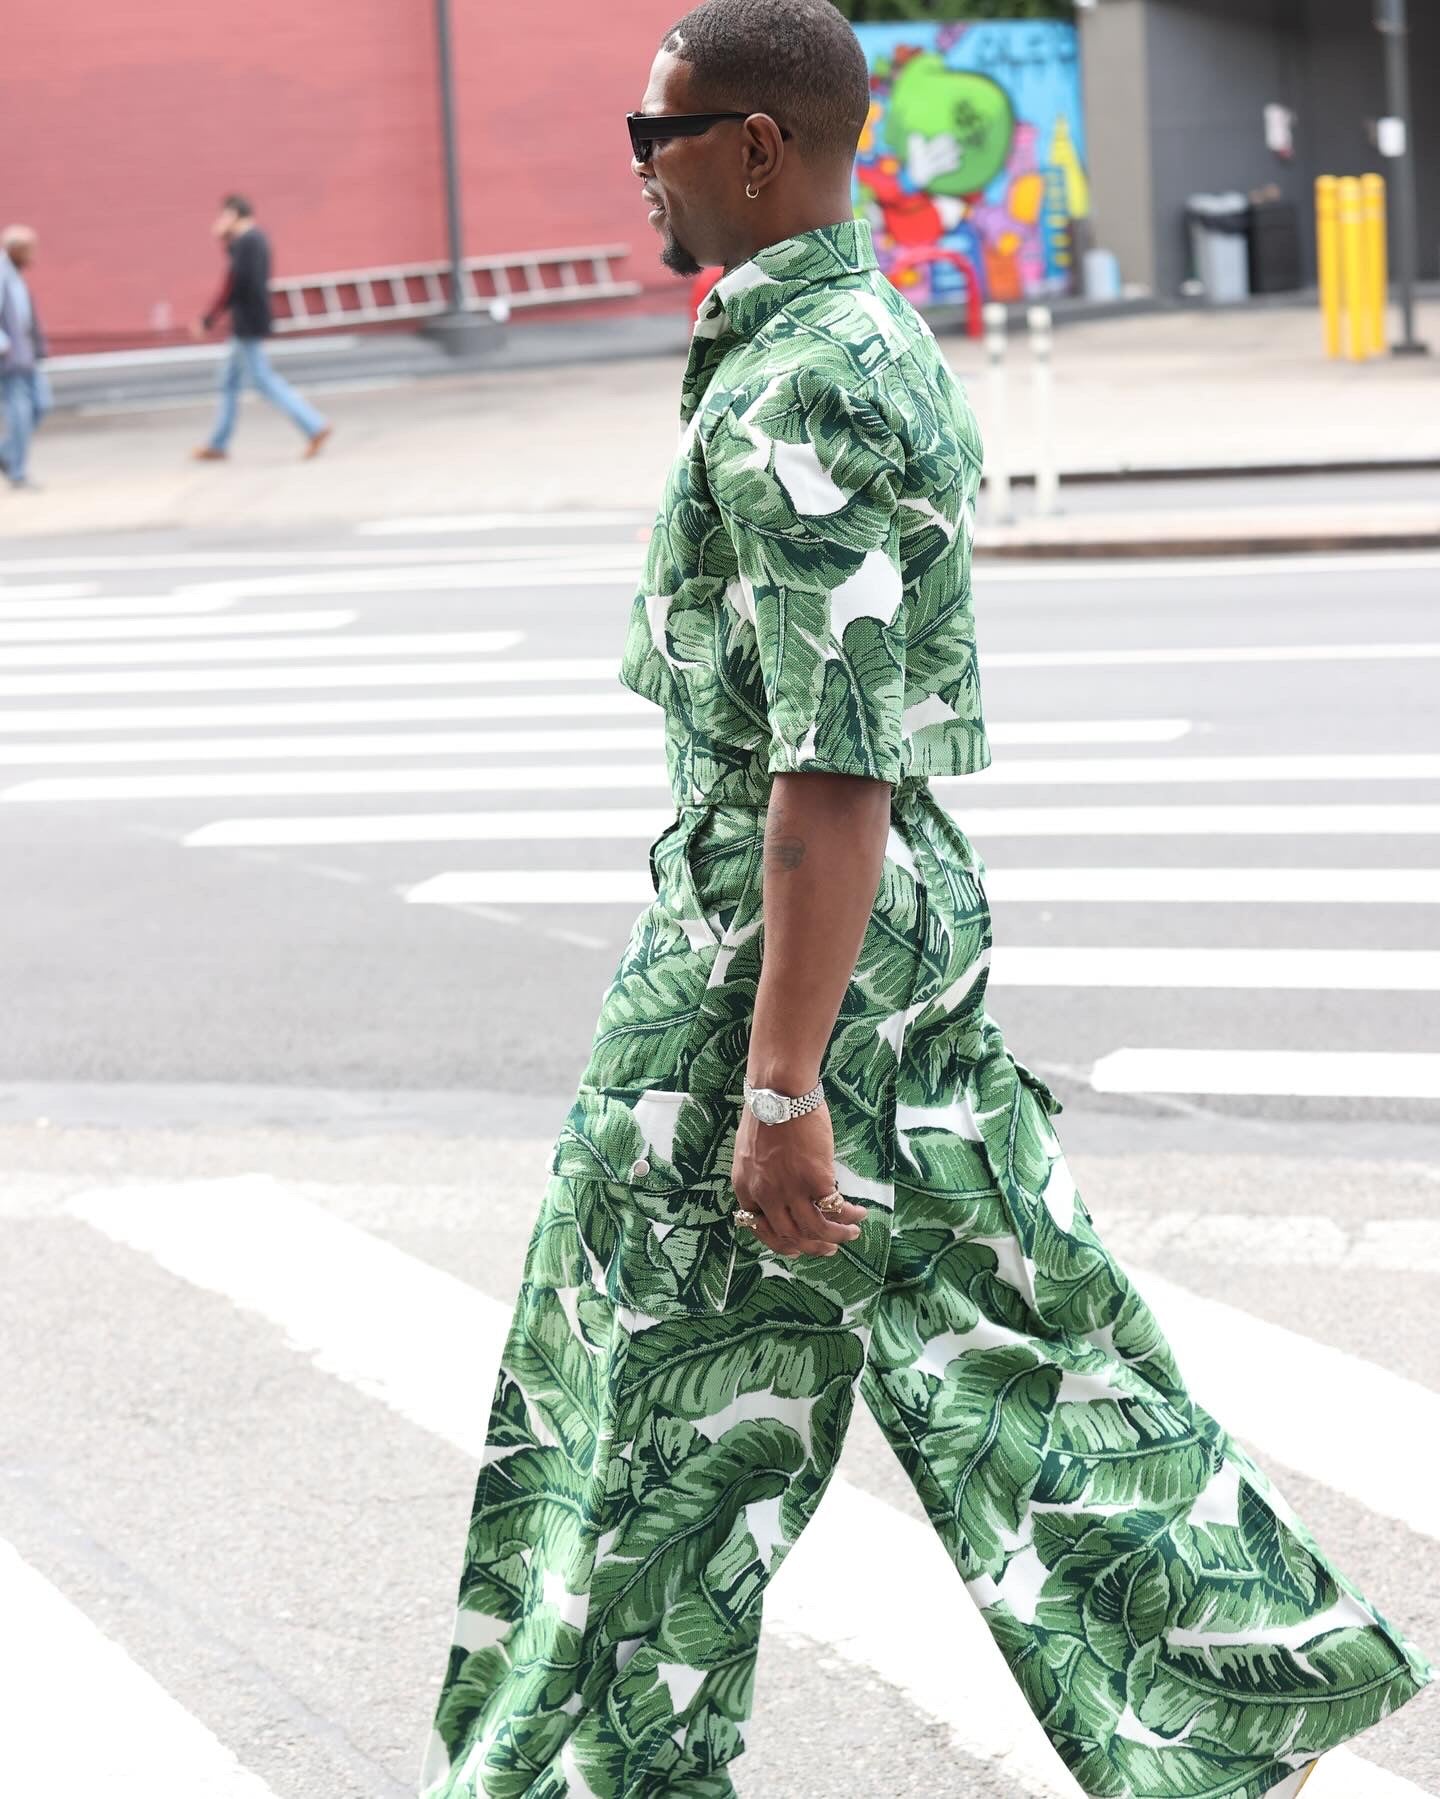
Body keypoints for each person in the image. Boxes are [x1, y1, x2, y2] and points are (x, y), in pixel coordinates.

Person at [419, 4, 1432, 1796]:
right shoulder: (830, 338)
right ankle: (1239, 1701)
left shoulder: (810, 373)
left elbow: (833, 758)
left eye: (650, 136)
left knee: (630, 1411)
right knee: (1025, 1364)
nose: (635, 169)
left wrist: (782, 1083)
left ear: (750, 147)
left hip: (774, 970)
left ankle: (573, 1774)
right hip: (881, 967)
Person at [191, 194, 331, 461]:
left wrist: (208, 320)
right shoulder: (253, 240)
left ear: (234, 215)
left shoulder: (248, 242)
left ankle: (314, 425)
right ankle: (218, 443)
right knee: (229, 382)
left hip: (247, 323)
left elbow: (233, 285)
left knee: (263, 381)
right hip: (248, 321)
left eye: (224, 216)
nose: (220, 222)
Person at [0, 224, 49, 492]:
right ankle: (18, 472)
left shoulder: (15, 275)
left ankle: (5, 452)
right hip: (9, 361)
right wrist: (4, 346)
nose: (34, 256)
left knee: (42, 404)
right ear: (15, 250)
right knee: (19, 413)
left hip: (27, 356)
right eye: (30, 250)